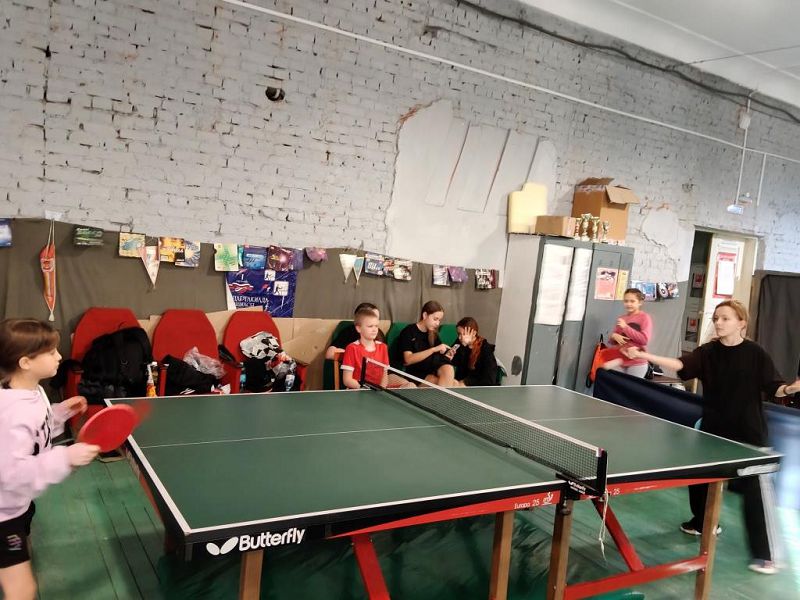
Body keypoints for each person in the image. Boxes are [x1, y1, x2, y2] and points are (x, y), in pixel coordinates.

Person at [624, 300, 800, 575]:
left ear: (741, 323)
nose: (718, 322)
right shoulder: (708, 352)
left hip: (749, 435)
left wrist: (790, 388)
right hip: (714, 431)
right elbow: (681, 364)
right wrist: (647, 356)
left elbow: (774, 387)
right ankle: (703, 523)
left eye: (725, 318)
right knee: (699, 478)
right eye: (716, 318)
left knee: (755, 494)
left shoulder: (756, 353)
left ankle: (767, 556)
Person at [0, 318, 100, 599]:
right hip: (3, 513)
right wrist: (65, 458)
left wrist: (60, 413)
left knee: (23, 549)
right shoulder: (12, 414)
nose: (59, 356)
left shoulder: (31, 391)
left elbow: (37, 429)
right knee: (22, 590)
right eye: (51, 351)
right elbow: (10, 473)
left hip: (18, 503)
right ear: (25, 362)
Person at [341, 309, 414, 390]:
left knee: (411, 385)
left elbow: (384, 374)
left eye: (376, 326)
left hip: (378, 388)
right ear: (358, 328)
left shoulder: (383, 347)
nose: (374, 329)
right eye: (370, 326)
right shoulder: (352, 348)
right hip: (359, 389)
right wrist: (365, 388)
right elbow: (347, 380)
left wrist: (381, 389)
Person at [395, 301, 455, 386]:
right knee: (442, 383)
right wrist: (433, 349)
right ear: (425, 315)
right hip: (415, 373)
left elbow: (438, 358)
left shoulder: (433, 334)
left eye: (439, 320)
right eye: (435, 319)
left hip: (432, 369)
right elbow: (408, 359)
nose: (437, 323)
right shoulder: (408, 331)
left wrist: (446, 356)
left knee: (449, 369)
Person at [602, 288, 653, 378]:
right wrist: (614, 336)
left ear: (640, 302)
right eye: (626, 301)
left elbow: (644, 340)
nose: (629, 304)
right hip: (620, 360)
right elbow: (613, 342)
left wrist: (625, 327)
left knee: (630, 386)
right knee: (614, 384)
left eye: (632, 301)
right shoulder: (622, 318)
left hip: (637, 362)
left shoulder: (644, 318)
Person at [449, 317, 499, 387]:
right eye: (458, 334)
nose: (460, 337)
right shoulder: (460, 343)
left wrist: (466, 382)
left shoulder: (485, 348)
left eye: (463, 334)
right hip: (460, 383)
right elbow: (454, 362)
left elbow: (489, 378)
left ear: (474, 333)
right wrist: (451, 354)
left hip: (479, 386)